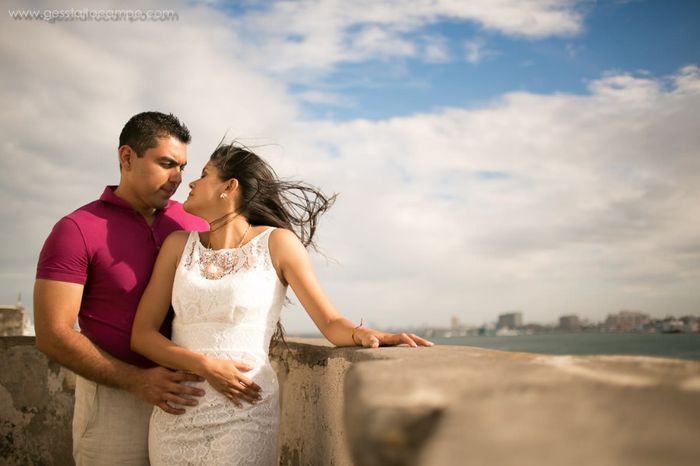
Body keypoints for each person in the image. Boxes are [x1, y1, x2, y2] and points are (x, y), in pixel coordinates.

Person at [130, 142, 434, 465]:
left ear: (229, 187)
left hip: (242, 413)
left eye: (204, 175)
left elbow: (330, 323)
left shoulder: (277, 244)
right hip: (177, 412)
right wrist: (205, 366)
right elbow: (143, 335)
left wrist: (369, 335)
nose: (190, 182)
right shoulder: (178, 245)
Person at [34, 111, 210, 466]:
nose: (177, 177)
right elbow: (52, 333)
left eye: (182, 167)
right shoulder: (76, 228)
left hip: (193, 397)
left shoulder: (194, 223)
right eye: (165, 163)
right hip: (114, 398)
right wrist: (137, 381)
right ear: (126, 157)